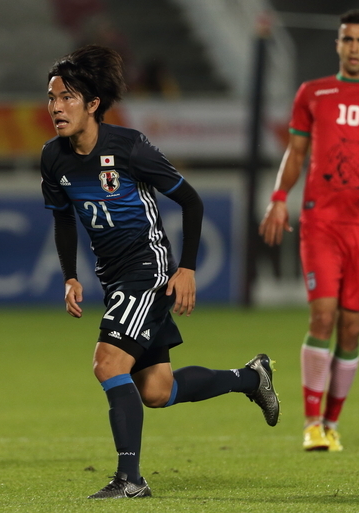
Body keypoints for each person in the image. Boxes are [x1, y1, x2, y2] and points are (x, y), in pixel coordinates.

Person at [41, 45, 280, 499]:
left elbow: (191, 200)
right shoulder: (54, 159)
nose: (56, 107)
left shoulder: (128, 147)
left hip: (147, 270)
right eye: (52, 97)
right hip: (115, 279)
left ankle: (129, 480)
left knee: (107, 362)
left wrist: (186, 268)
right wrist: (70, 275)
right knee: (156, 389)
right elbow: (62, 218)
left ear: (93, 105)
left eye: (68, 97)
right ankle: (252, 377)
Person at [259, 10, 359, 452]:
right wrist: (279, 197)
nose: (355, 47)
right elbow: (296, 153)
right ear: (338, 43)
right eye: (348, 39)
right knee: (323, 315)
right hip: (320, 221)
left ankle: (331, 422)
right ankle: (310, 424)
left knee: (352, 328)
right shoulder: (313, 93)